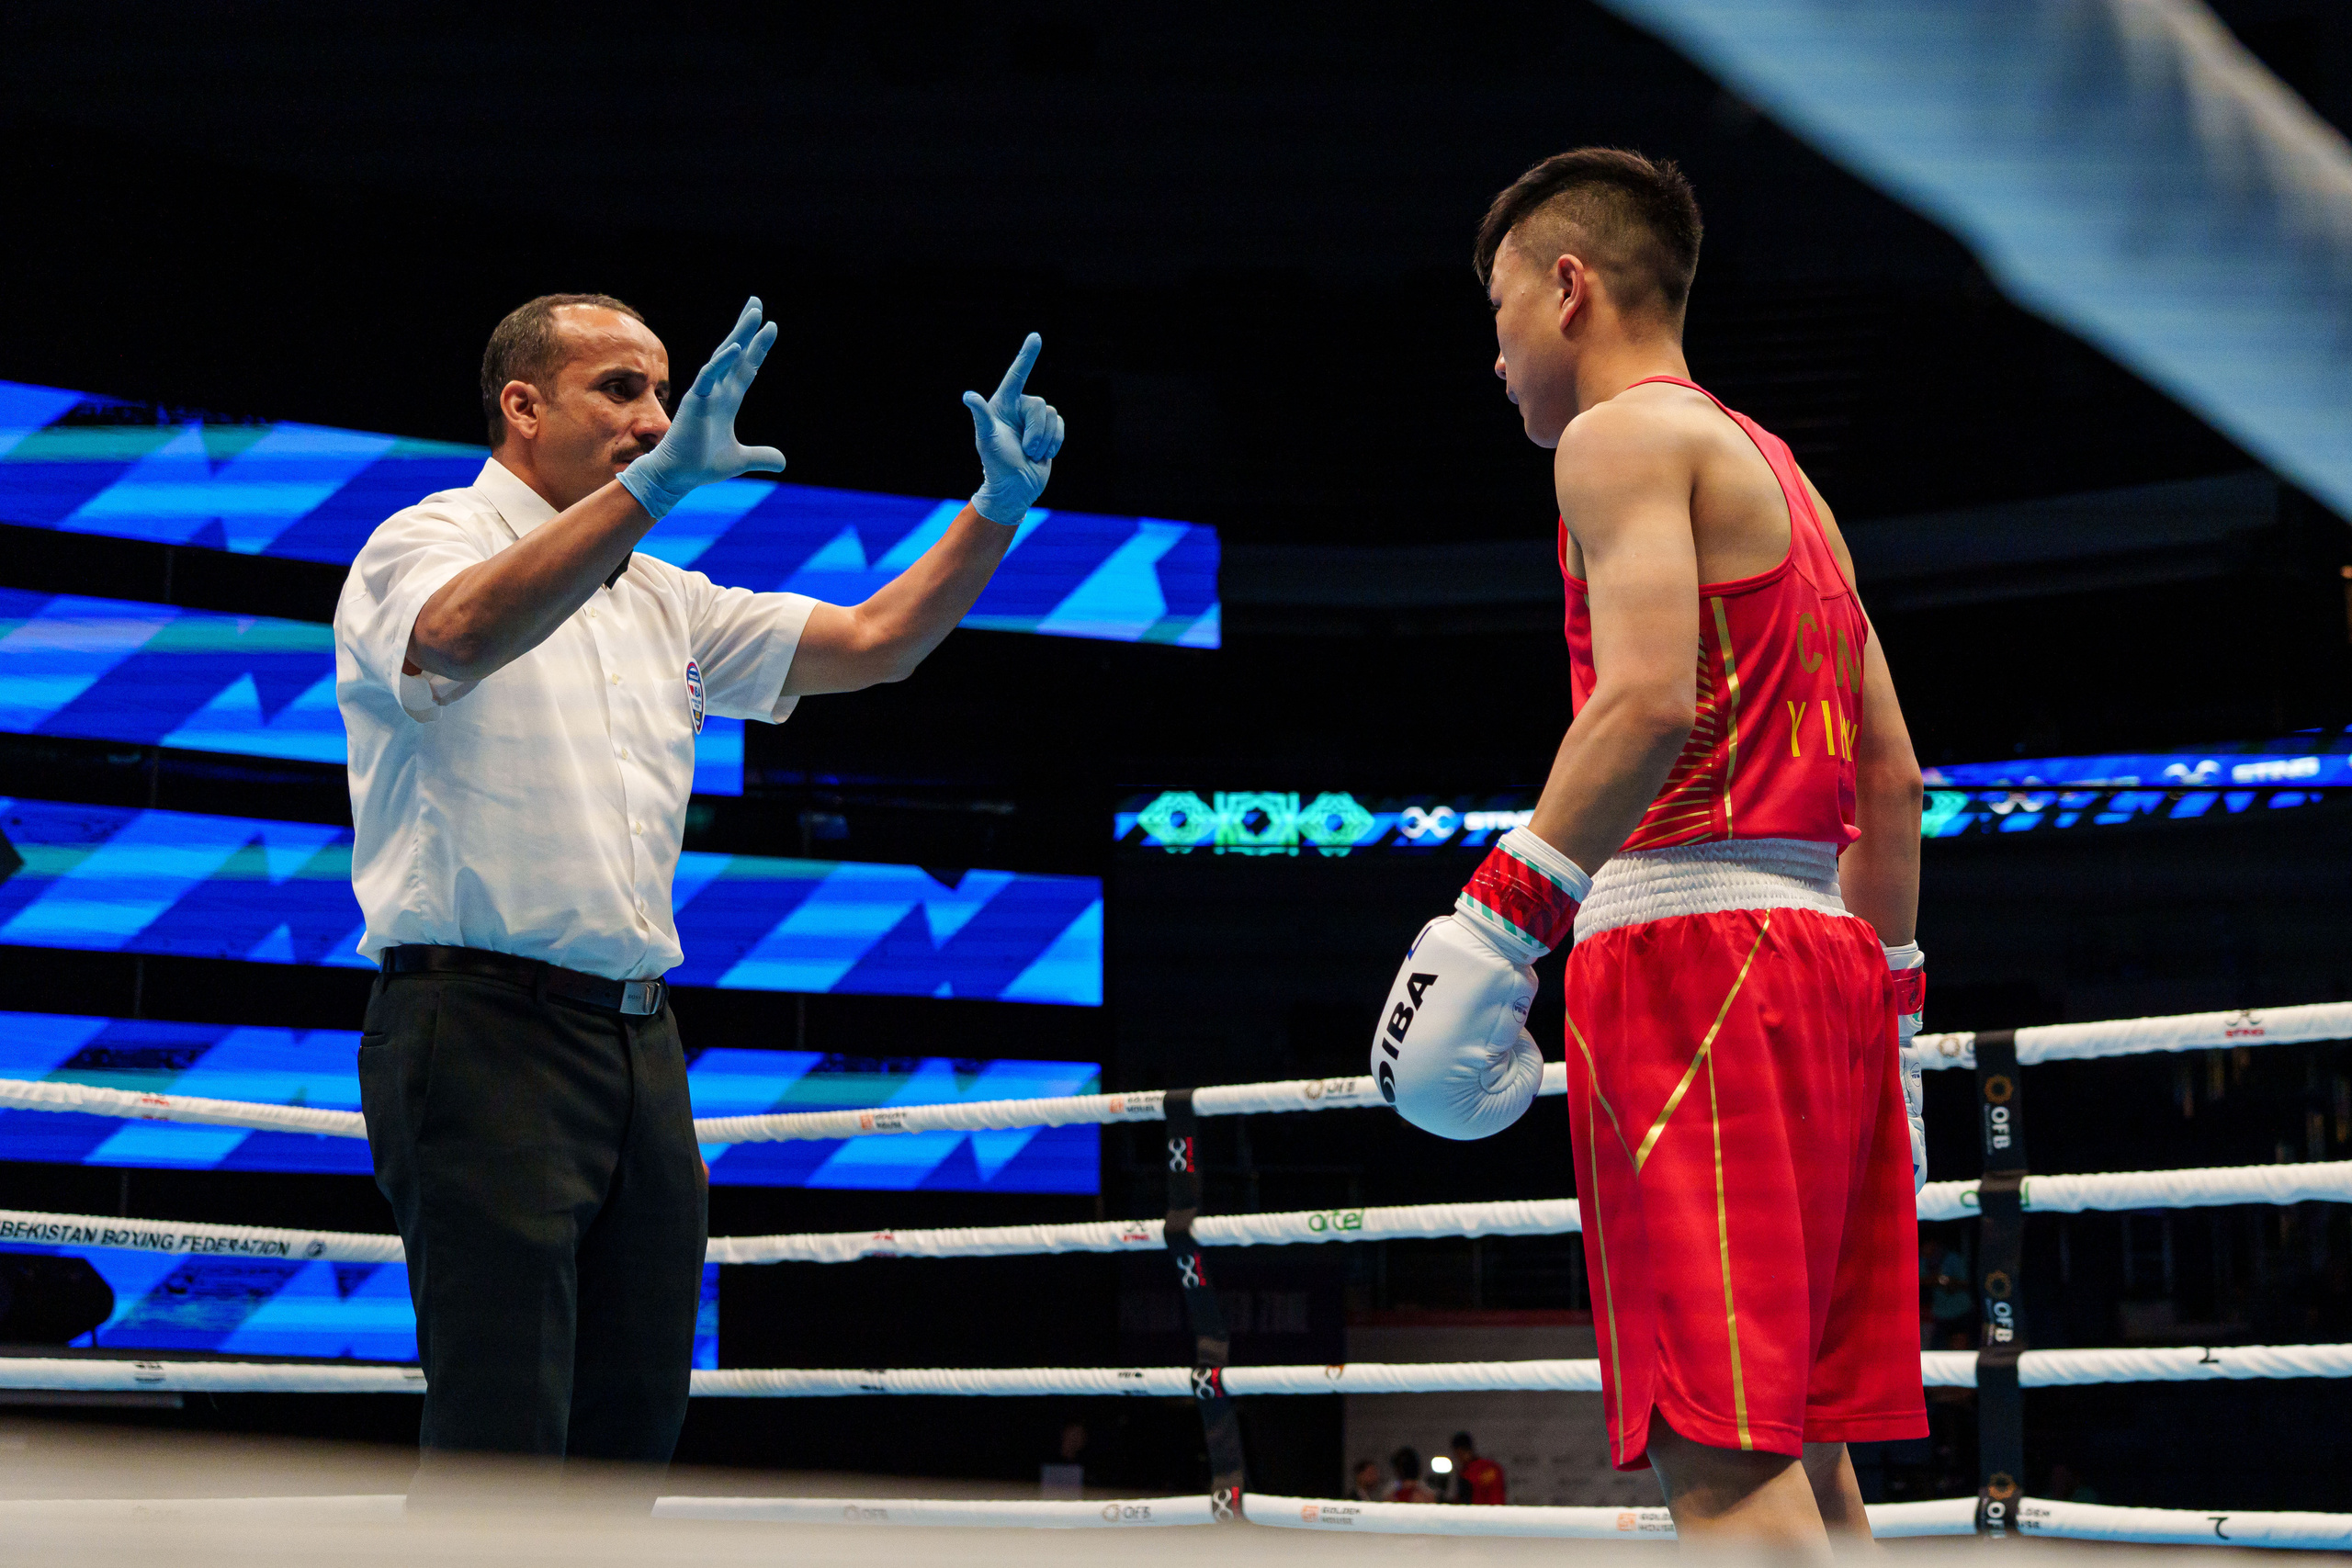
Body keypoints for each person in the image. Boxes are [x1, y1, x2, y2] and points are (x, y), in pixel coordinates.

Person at [335, 292, 1063, 1489]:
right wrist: (659, 486)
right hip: (479, 1028)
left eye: (663, 392)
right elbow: (458, 636)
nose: (657, 417)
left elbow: (878, 637)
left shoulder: (665, 595)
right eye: (619, 389)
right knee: (502, 1429)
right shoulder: (425, 541)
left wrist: (995, 512)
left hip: (637, 1040)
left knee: (634, 1424)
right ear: (522, 406)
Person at [1371, 148, 1928, 1553]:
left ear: (1567, 289)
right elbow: (1894, 776)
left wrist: (1496, 922)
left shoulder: (1615, 440)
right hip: (1836, 966)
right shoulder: (1791, 481)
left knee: (1720, 1454)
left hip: (1698, 964)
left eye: (1497, 315)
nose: (1495, 359)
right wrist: (1899, 1023)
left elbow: (1646, 697)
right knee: (1812, 1454)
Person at [1444, 1431, 1507, 1505]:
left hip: (1477, 1513)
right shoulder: (1494, 1467)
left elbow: (1464, 1501)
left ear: (1459, 1451)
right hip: (1498, 1513)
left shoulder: (1468, 1473)